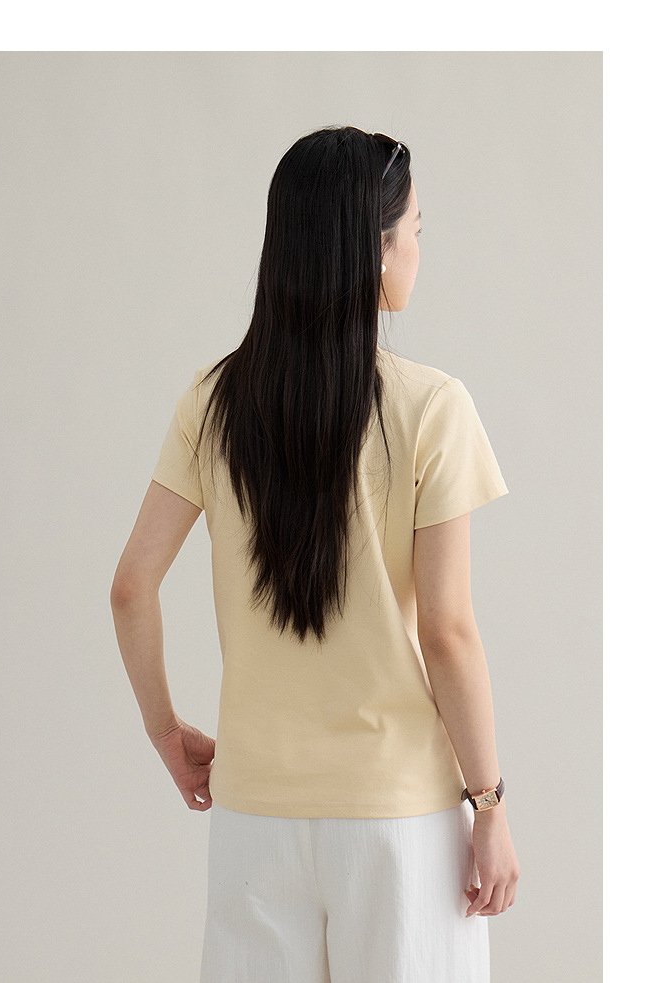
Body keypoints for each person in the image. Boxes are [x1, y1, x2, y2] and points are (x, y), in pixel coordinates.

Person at [110, 125, 520, 983]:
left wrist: (165, 731)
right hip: (399, 820)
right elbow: (447, 632)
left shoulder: (212, 401)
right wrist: (489, 805)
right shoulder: (433, 407)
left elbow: (132, 586)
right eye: (414, 229)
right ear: (376, 250)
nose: (419, 248)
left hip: (253, 813)